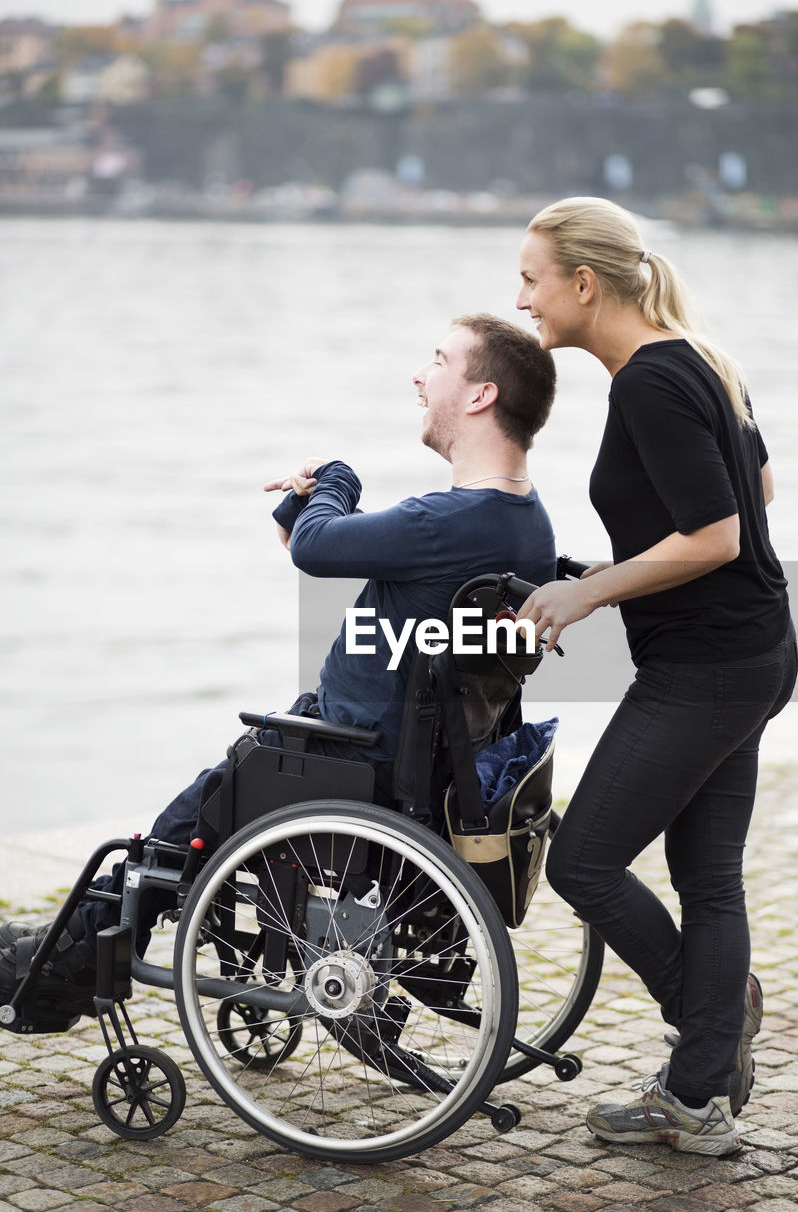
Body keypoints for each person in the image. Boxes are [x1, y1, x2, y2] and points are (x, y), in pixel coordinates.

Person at [0, 312, 557, 1030]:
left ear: (479, 395)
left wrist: (334, 476)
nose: (419, 376)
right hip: (415, 751)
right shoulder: (518, 519)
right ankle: (59, 949)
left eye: (438, 361)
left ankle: (53, 975)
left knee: (175, 836)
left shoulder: (443, 522)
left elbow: (314, 547)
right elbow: (322, 537)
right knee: (194, 809)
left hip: (352, 756)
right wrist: (312, 506)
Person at [515, 197, 797, 1157]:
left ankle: (708, 1049)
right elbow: (753, 494)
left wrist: (589, 598)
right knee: (707, 876)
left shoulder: (648, 380)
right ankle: (696, 1094)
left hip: (708, 667)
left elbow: (716, 533)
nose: (523, 301)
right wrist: (615, 568)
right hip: (753, 649)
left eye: (531, 279)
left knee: (583, 860)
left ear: (583, 284)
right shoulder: (695, 359)